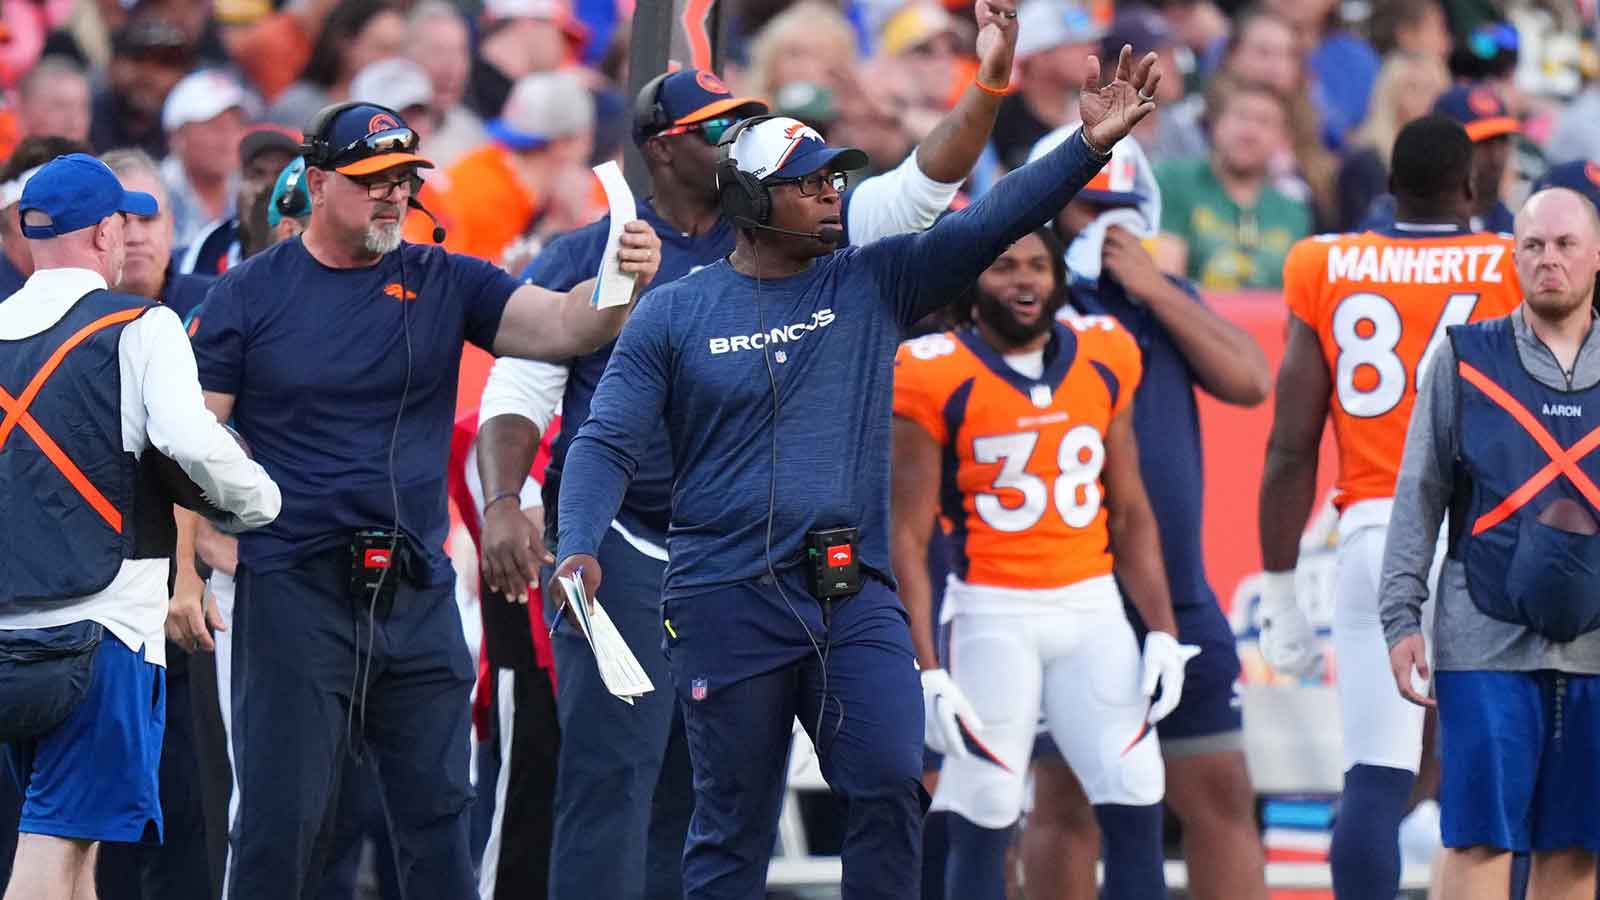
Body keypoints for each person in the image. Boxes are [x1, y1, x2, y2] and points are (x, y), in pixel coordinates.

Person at [548, 44, 1161, 899]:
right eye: (808, 184)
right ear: (752, 200)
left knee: (887, 779)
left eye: (836, 180)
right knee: (732, 825)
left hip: (850, 591)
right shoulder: (673, 315)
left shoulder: (874, 281)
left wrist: (1084, 147)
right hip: (723, 595)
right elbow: (605, 441)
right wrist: (578, 543)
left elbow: (990, 221)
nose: (831, 194)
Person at [474, 5, 1039, 893]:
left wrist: (1020, 105)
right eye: (715, 129)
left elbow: (949, 198)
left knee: (845, 779)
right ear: (666, 149)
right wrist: (543, 522)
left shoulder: (854, 264)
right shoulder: (611, 262)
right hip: (664, 559)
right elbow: (555, 407)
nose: (829, 193)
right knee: (640, 787)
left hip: (822, 573)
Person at [185, 101, 661, 899]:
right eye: (372, 180)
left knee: (441, 817)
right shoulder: (250, 294)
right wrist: (195, 558)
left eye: (405, 178)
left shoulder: (444, 277)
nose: (393, 195)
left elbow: (567, 327)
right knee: (281, 822)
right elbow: (195, 439)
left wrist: (624, 272)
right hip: (295, 589)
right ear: (319, 182)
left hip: (413, 589)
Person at [0, 152, 281, 900]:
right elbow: (191, 444)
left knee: (77, 862)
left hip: (7, 635)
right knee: (47, 862)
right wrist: (260, 503)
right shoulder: (143, 324)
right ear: (104, 234)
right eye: (124, 220)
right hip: (102, 634)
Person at [1256, 114, 1523, 900]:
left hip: (1375, 535)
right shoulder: (1511, 261)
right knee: (1510, 773)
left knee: (1375, 773)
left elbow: (1291, 444)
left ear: (1386, 188)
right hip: (1486, 540)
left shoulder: (1324, 261)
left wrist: (1278, 589)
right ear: (1472, 187)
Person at [889, 223, 1192, 900]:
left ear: (1059, 277)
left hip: (1092, 607)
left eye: (1036, 266)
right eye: (1002, 266)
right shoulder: (932, 369)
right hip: (993, 610)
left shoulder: (1106, 353)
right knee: (987, 801)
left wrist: (1164, 628)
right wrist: (927, 669)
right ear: (973, 280)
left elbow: (1131, 508)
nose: (1023, 281)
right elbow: (906, 534)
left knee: (1137, 787)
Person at [1015, 129, 1271, 900]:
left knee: (1221, 792)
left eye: (1121, 209)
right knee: (1064, 802)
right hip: (1064, 585)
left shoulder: (1163, 300)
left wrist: (1157, 289)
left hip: (1179, 591)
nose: (1106, 227)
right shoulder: (1019, 298)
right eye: (1089, 208)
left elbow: (1250, 380)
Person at [1380, 186, 1600, 900]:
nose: (1549, 261)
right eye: (1533, 246)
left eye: (1565, 245)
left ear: (1596, 256)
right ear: (1512, 257)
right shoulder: (1464, 357)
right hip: (1482, 634)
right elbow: (1420, 492)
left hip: (1595, 646)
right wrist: (1399, 616)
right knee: (1479, 838)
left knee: (1574, 847)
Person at [1155, 78, 1313, 290]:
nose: (1249, 132)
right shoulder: (1174, 181)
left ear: (1284, 140)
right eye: (1241, 116)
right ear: (1215, 124)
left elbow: (1296, 297)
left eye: (1264, 122)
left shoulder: (1294, 213)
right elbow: (1166, 286)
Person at [1361, 83, 1519, 234]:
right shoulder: (1385, 224)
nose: (1496, 157)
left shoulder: (1515, 230)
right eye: (1482, 144)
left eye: (1502, 141)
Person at [180, 125, 302, 276]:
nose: (269, 185)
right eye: (258, 173)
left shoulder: (320, 246)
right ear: (242, 177)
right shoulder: (212, 242)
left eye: (282, 174)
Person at [158, 69, 253, 247]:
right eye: (215, 127)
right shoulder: (155, 194)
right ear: (178, 136)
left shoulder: (250, 189)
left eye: (236, 126)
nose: (228, 139)